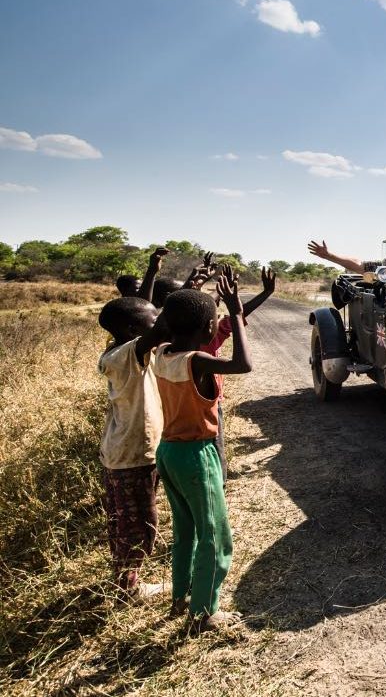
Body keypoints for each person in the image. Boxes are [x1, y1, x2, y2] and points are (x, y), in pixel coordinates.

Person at [152, 270, 251, 633]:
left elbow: (171, 322)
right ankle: (204, 613)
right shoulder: (197, 361)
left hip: (168, 452)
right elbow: (244, 364)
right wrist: (236, 313)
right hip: (197, 456)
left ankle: (181, 597)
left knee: (185, 529)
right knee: (214, 535)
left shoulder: (162, 353)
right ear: (211, 327)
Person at [96, 296, 169, 601]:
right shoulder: (125, 355)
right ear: (131, 330)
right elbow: (162, 329)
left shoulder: (127, 350)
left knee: (130, 521)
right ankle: (129, 589)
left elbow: (155, 325)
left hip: (130, 452)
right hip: (131, 455)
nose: (159, 324)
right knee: (135, 526)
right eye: (152, 321)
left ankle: (127, 581)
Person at [201, 266, 276, 484]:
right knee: (216, 451)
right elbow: (239, 318)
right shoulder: (208, 343)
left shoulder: (166, 347)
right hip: (211, 408)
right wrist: (237, 308)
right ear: (209, 326)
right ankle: (219, 488)